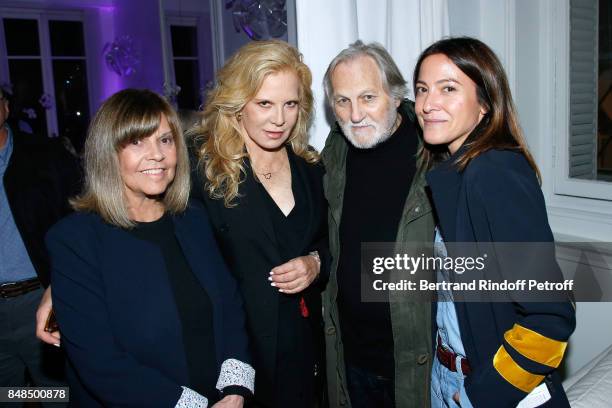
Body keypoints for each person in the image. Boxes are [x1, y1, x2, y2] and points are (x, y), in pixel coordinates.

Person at [46, 89, 254, 407]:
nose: (156, 154)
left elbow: (230, 307)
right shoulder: (74, 241)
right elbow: (100, 364)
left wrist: (235, 390)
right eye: (136, 142)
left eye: (165, 140)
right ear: (108, 154)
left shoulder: (194, 220)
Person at [413, 37, 576, 407]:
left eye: (448, 89)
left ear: (485, 103)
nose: (426, 104)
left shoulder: (494, 171)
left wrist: (480, 395)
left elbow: (550, 316)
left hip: (485, 386)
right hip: (447, 373)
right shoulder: (457, 170)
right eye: (422, 89)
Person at [189, 40, 329, 408]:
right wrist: (58, 284)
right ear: (237, 106)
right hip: (235, 352)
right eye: (264, 103)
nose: (279, 119)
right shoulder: (201, 169)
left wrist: (316, 263)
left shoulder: (311, 170)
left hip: (303, 346)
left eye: (290, 104)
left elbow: (331, 242)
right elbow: (141, 225)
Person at [321, 40, 435, 408]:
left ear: (396, 94)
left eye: (368, 97)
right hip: (352, 360)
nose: (355, 115)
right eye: (342, 101)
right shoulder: (336, 152)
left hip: (419, 366)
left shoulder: (436, 152)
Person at [0, 85, 78, 402]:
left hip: (40, 299)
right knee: (9, 396)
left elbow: (78, 221)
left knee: (56, 394)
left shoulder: (46, 156)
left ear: (5, 107)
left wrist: (63, 285)